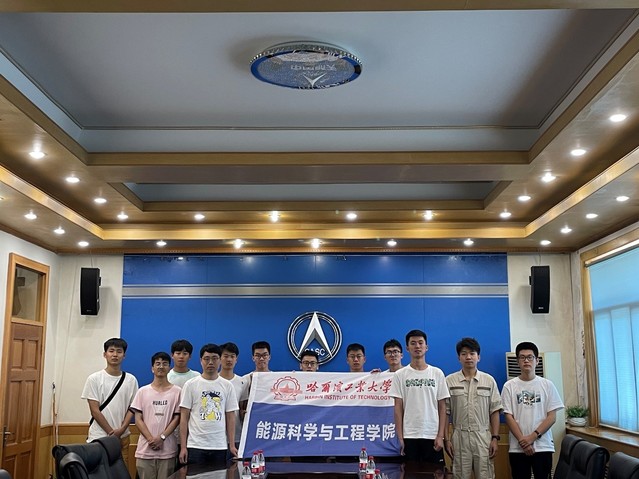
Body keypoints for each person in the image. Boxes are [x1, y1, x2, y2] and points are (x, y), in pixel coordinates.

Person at [501, 341, 563, 479]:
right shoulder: (509, 386)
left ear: (537, 361)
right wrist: (523, 441)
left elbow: (552, 417)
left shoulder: (547, 385)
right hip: (517, 448)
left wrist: (533, 436)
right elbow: (508, 416)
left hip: (543, 446)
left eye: (530, 357)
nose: (526, 360)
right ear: (517, 361)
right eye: (522, 357)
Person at [444, 338, 502, 479]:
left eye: (472, 353)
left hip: (483, 436)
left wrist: (495, 438)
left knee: (485, 475)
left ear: (478, 357)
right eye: (464, 354)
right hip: (459, 436)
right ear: (459, 357)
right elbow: (445, 413)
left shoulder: (488, 381)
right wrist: (446, 439)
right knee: (460, 475)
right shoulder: (449, 381)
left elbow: (494, 411)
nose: (468, 357)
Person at [389, 329, 449, 464]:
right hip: (409, 435)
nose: (417, 346)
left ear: (426, 347)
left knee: (435, 472)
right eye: (413, 343)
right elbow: (398, 408)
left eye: (421, 343)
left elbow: (442, 407)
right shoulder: (400, 375)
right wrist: (400, 438)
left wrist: (440, 436)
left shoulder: (437, 373)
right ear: (407, 348)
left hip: (432, 435)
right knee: (409, 472)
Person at [179, 344, 239, 466]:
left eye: (214, 358)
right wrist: (183, 447)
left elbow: (230, 417)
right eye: (206, 359)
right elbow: (184, 418)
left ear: (220, 360)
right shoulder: (190, 385)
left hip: (219, 445)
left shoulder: (227, 386)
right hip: (195, 445)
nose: (210, 362)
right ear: (201, 361)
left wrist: (232, 445)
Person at [81, 337, 139, 464]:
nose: (115, 354)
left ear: (124, 355)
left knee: (121, 471)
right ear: (105, 354)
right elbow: (94, 410)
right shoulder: (94, 379)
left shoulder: (131, 380)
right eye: (111, 351)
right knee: (99, 470)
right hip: (99, 436)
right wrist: (111, 433)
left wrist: (122, 429)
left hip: (123, 436)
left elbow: (133, 407)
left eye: (119, 351)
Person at [130, 351, 181, 479]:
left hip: (168, 451)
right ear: (152, 368)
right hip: (145, 450)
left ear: (169, 368)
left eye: (165, 363)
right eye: (157, 364)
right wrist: (150, 439)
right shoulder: (142, 391)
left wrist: (161, 437)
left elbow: (177, 418)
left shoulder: (177, 392)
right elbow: (138, 419)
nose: (161, 366)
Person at [219, 342, 249, 455]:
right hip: (216, 437)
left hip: (236, 436)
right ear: (219, 358)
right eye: (226, 356)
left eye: (232, 356)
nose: (229, 360)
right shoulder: (212, 381)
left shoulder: (242, 382)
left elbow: (241, 408)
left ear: (236, 359)